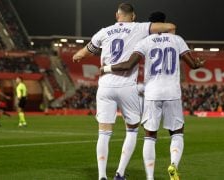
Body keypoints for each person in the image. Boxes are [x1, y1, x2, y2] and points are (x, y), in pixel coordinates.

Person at [72, 3, 176, 180]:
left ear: (116, 15)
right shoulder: (139, 27)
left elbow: (84, 53)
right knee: (132, 130)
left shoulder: (104, 31)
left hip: (105, 86)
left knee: (103, 133)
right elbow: (170, 27)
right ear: (133, 16)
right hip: (127, 86)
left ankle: (102, 176)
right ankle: (119, 173)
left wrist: (76, 56)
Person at [101, 11, 205, 180]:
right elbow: (193, 65)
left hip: (152, 93)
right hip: (172, 92)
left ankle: (150, 177)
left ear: (151, 25)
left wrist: (106, 68)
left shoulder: (145, 41)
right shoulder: (177, 40)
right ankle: (173, 165)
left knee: (150, 136)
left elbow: (128, 65)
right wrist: (199, 64)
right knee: (177, 133)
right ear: (164, 23)